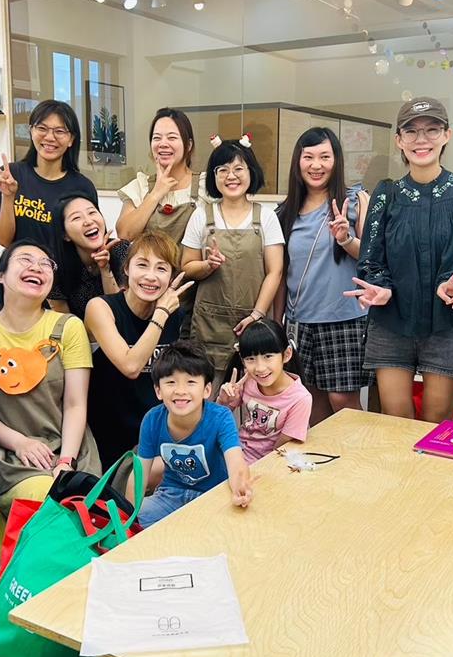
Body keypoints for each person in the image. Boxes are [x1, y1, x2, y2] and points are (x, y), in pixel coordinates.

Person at [347, 97, 453, 422]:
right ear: (399, 140)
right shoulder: (386, 193)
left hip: (446, 324)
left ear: (447, 135)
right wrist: (380, 286)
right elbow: (370, 256)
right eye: (411, 131)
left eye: (431, 130)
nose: (421, 139)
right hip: (392, 324)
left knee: (436, 421)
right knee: (395, 420)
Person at [0, 240, 100, 545]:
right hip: (10, 457)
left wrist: (66, 462)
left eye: (46, 264)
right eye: (25, 259)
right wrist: (19, 442)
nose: (37, 267)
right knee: (44, 503)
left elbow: (75, 405)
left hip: (71, 449)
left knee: (81, 508)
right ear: (0, 275)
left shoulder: (68, 327)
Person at [274, 127, 370, 426]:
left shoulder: (355, 201)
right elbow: (281, 273)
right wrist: (277, 324)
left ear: (336, 160)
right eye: (309, 157)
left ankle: (355, 456)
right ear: (298, 161)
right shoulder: (284, 212)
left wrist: (345, 239)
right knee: (309, 402)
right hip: (300, 322)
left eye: (325, 157)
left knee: (343, 402)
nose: (316, 165)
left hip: (344, 318)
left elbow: (372, 260)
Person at [85, 231, 194, 470]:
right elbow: (131, 366)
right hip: (108, 439)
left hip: (154, 435)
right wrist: (161, 314)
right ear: (126, 269)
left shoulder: (176, 315)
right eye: (142, 265)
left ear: (171, 277)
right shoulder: (101, 308)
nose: (150, 276)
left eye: (161, 268)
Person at [181, 138, 284, 385]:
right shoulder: (201, 216)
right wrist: (207, 265)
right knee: (212, 393)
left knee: (256, 393)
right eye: (223, 170)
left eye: (239, 168)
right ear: (214, 176)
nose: (231, 176)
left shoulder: (266, 217)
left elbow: (275, 271)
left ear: (251, 172)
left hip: (253, 323)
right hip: (210, 325)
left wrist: (257, 315)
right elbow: (187, 267)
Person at [0, 99, 98, 311]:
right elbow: (4, 239)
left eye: (60, 131)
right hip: (22, 281)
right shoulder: (11, 175)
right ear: (31, 131)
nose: (49, 137)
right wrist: (9, 196)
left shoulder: (82, 186)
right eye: (42, 128)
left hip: (68, 287)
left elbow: (88, 242)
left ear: (71, 139)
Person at [136, 341, 253, 527]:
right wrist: (128, 516)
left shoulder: (220, 417)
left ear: (207, 390)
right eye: (171, 382)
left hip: (214, 494)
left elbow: (236, 462)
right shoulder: (152, 419)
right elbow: (140, 473)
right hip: (170, 495)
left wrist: (240, 489)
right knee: (137, 519)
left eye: (191, 382)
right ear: (158, 391)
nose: (180, 391)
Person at [217, 319, 312, 464]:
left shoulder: (300, 398)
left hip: (267, 463)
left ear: (287, 354)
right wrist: (223, 402)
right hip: (235, 451)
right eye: (250, 359)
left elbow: (281, 448)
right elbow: (216, 421)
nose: (260, 368)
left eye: (268, 356)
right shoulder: (248, 380)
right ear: (243, 361)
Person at [115, 108, 205, 244]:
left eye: (172, 137)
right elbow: (124, 233)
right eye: (157, 138)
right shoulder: (140, 186)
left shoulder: (205, 185)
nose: (163, 144)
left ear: (188, 145)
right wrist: (156, 193)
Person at [55, 193, 129, 319]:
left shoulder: (121, 249)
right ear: (65, 235)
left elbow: (122, 314)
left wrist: (105, 268)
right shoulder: (56, 267)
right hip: (79, 329)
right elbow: (64, 322)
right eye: (76, 218)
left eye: (92, 212)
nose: (88, 221)